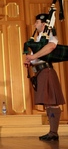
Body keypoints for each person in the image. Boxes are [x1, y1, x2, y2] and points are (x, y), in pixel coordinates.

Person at [24, 13, 65, 141]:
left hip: (46, 71)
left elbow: (52, 46)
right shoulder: (39, 39)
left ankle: (53, 132)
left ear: (43, 24)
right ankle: (52, 132)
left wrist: (33, 57)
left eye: (37, 22)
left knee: (51, 103)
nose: (35, 25)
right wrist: (30, 61)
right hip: (40, 72)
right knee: (48, 104)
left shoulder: (49, 35)